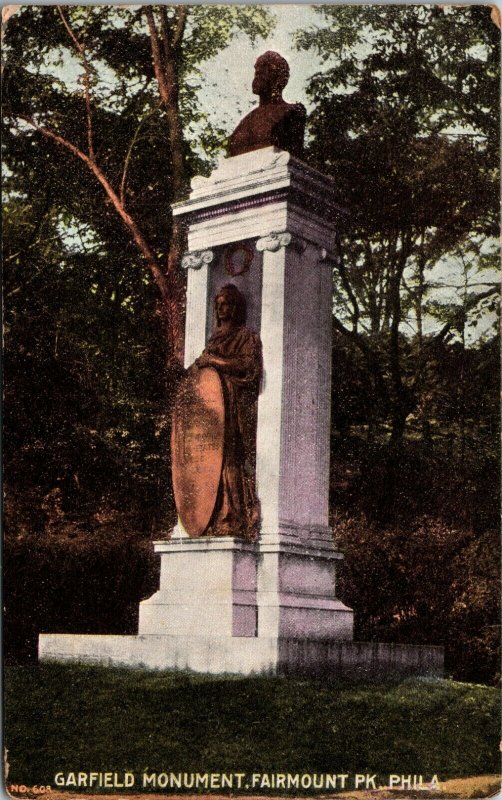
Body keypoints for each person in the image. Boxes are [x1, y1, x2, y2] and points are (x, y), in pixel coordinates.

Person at [195, 284, 262, 540]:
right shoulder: (214, 340)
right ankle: (212, 516)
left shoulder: (245, 337)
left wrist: (213, 362)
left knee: (230, 459)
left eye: (227, 304)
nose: (223, 309)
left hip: (232, 405)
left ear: (236, 307)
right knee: (211, 460)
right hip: (210, 411)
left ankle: (233, 514)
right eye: (219, 304)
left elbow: (247, 366)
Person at [226, 51, 306, 158]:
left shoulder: (292, 112)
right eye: (257, 68)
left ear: (279, 76)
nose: (258, 72)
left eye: (265, 67)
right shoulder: (246, 121)